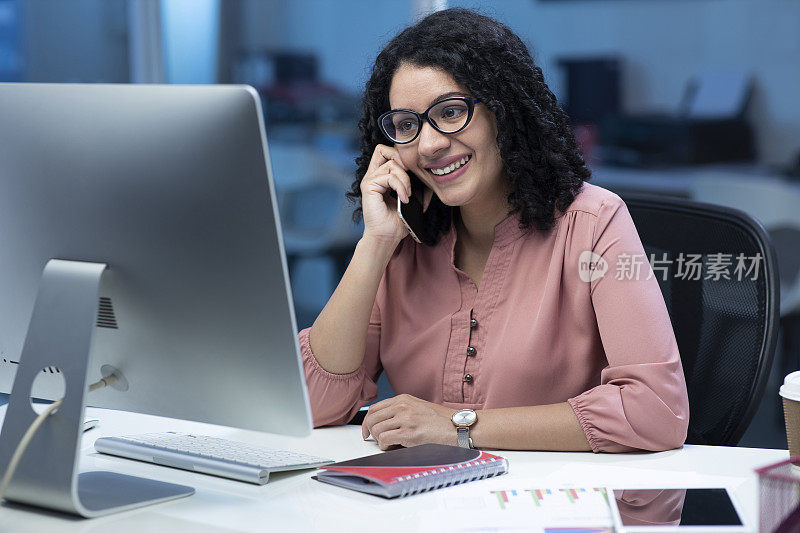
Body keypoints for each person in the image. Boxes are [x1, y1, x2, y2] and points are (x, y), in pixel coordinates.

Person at [298, 8, 689, 453]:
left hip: (553, 507)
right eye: (407, 125)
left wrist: (459, 427)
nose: (429, 144)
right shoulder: (404, 239)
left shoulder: (594, 223)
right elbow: (312, 403)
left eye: (450, 112)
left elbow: (657, 411)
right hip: (427, 506)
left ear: (505, 111)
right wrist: (376, 244)